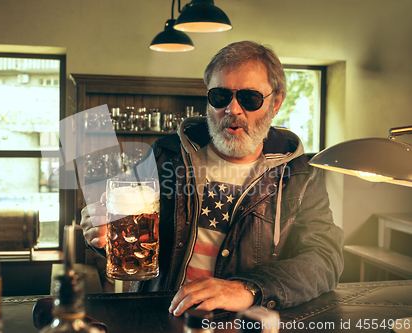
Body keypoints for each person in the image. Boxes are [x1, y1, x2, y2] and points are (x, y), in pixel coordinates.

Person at [80, 41, 344, 317]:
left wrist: (247, 288)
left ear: (275, 103)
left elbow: (325, 259)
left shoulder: (299, 175)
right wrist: (100, 233)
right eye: (220, 96)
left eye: (249, 98)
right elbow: (128, 241)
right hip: (161, 318)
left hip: (243, 323)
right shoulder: (166, 155)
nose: (233, 109)